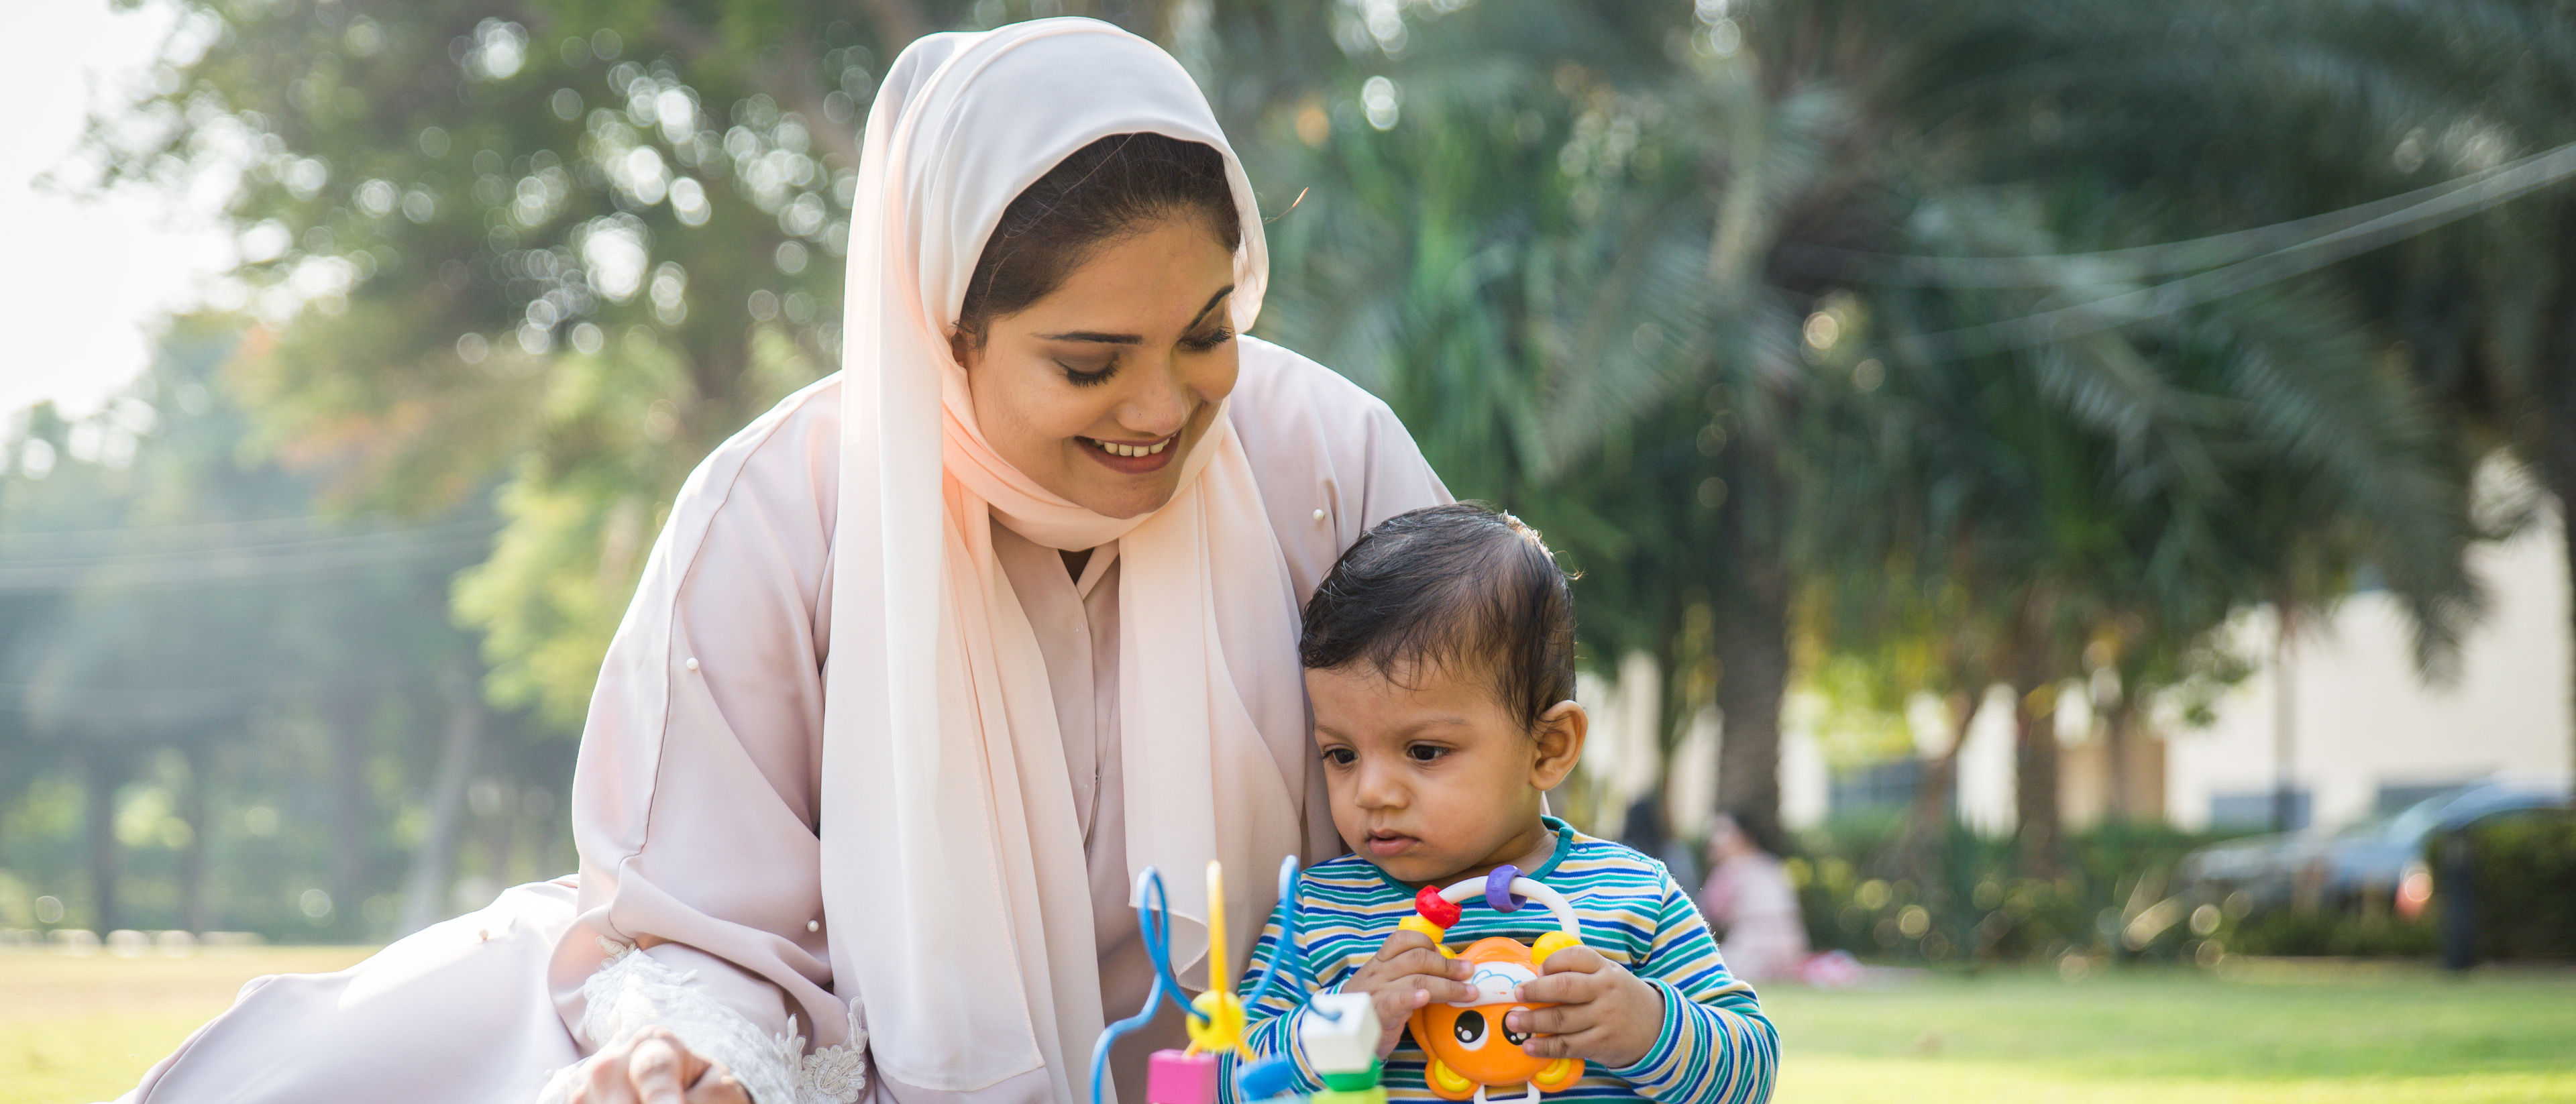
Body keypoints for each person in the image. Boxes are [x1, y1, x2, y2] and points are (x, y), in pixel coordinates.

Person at [117, 19, 1448, 1104]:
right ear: (946, 335)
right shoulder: (776, 514)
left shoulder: (1324, 459)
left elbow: (1476, 771)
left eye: (1208, 331)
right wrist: (698, 1062)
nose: (1164, 410)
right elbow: (708, 922)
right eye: (1089, 363)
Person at [1235, 505, 1778, 1104]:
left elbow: (1750, 1074)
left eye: (1424, 750)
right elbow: (1228, 1080)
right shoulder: (1318, 914)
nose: (1371, 793)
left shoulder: (1633, 895)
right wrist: (1341, 1023)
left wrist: (1646, 1025)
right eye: (1341, 755)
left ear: (1548, 748)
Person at [1693, 813, 1808, 985]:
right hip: (1791, 952)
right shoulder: (1772, 865)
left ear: (1742, 837)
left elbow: (1705, 916)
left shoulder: (1727, 871)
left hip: (1750, 952)